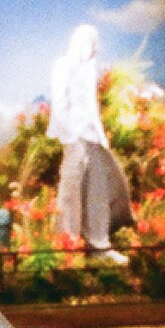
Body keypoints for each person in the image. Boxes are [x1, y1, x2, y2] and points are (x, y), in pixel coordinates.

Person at [49, 24, 130, 256]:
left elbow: (92, 108)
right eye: (91, 44)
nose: (95, 49)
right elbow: (59, 104)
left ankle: (99, 243)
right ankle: (68, 244)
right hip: (74, 139)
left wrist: (100, 136)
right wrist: (72, 137)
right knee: (71, 192)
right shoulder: (63, 65)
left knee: (98, 191)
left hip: (92, 139)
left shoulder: (88, 70)